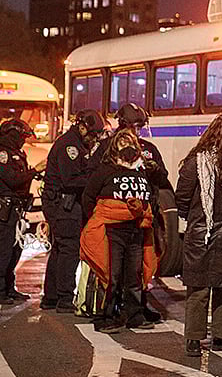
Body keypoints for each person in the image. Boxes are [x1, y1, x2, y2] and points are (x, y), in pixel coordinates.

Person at [91, 103, 171, 322]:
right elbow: (93, 181)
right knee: (113, 269)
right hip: (114, 220)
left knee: (140, 266)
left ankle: (137, 306)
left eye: (139, 127)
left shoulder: (148, 148)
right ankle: (110, 309)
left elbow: (163, 179)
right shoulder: (107, 147)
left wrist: (155, 170)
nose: (136, 131)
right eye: (133, 126)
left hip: (142, 218)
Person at [175, 113, 222, 356]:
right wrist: (198, 221)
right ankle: (194, 338)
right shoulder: (196, 162)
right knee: (199, 289)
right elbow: (182, 198)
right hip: (203, 234)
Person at [81, 129, 159, 333]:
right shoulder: (105, 170)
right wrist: (100, 219)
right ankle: (105, 316)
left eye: (130, 142)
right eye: (122, 142)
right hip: (112, 231)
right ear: (115, 147)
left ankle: (134, 315)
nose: (127, 146)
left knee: (134, 276)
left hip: (135, 230)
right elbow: (88, 197)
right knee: (110, 276)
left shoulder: (140, 170)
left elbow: (150, 196)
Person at [41, 109, 103, 311]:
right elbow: (71, 180)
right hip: (64, 204)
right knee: (69, 249)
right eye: (92, 134)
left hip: (61, 203)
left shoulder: (74, 144)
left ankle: (51, 297)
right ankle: (64, 298)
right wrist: (95, 181)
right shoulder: (70, 146)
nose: (94, 139)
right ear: (82, 127)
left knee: (60, 249)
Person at [0, 119, 41, 305]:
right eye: (22, 136)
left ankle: (9, 287)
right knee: (3, 249)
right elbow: (13, 179)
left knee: (15, 249)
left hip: (16, 206)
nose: (23, 141)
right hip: (4, 206)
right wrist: (35, 170)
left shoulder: (17, 153)